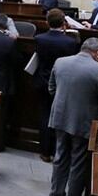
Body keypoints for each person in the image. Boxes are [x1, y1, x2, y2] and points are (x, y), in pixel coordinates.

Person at [48, 38, 98, 196]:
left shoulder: (60, 62)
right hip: (83, 122)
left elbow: (52, 89)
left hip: (60, 117)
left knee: (60, 157)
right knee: (78, 162)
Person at [33, 9, 80, 162]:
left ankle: (45, 151)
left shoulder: (39, 39)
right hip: (62, 84)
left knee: (44, 115)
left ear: (47, 22)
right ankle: (58, 151)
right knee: (60, 118)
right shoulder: (71, 42)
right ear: (63, 23)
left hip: (42, 81)